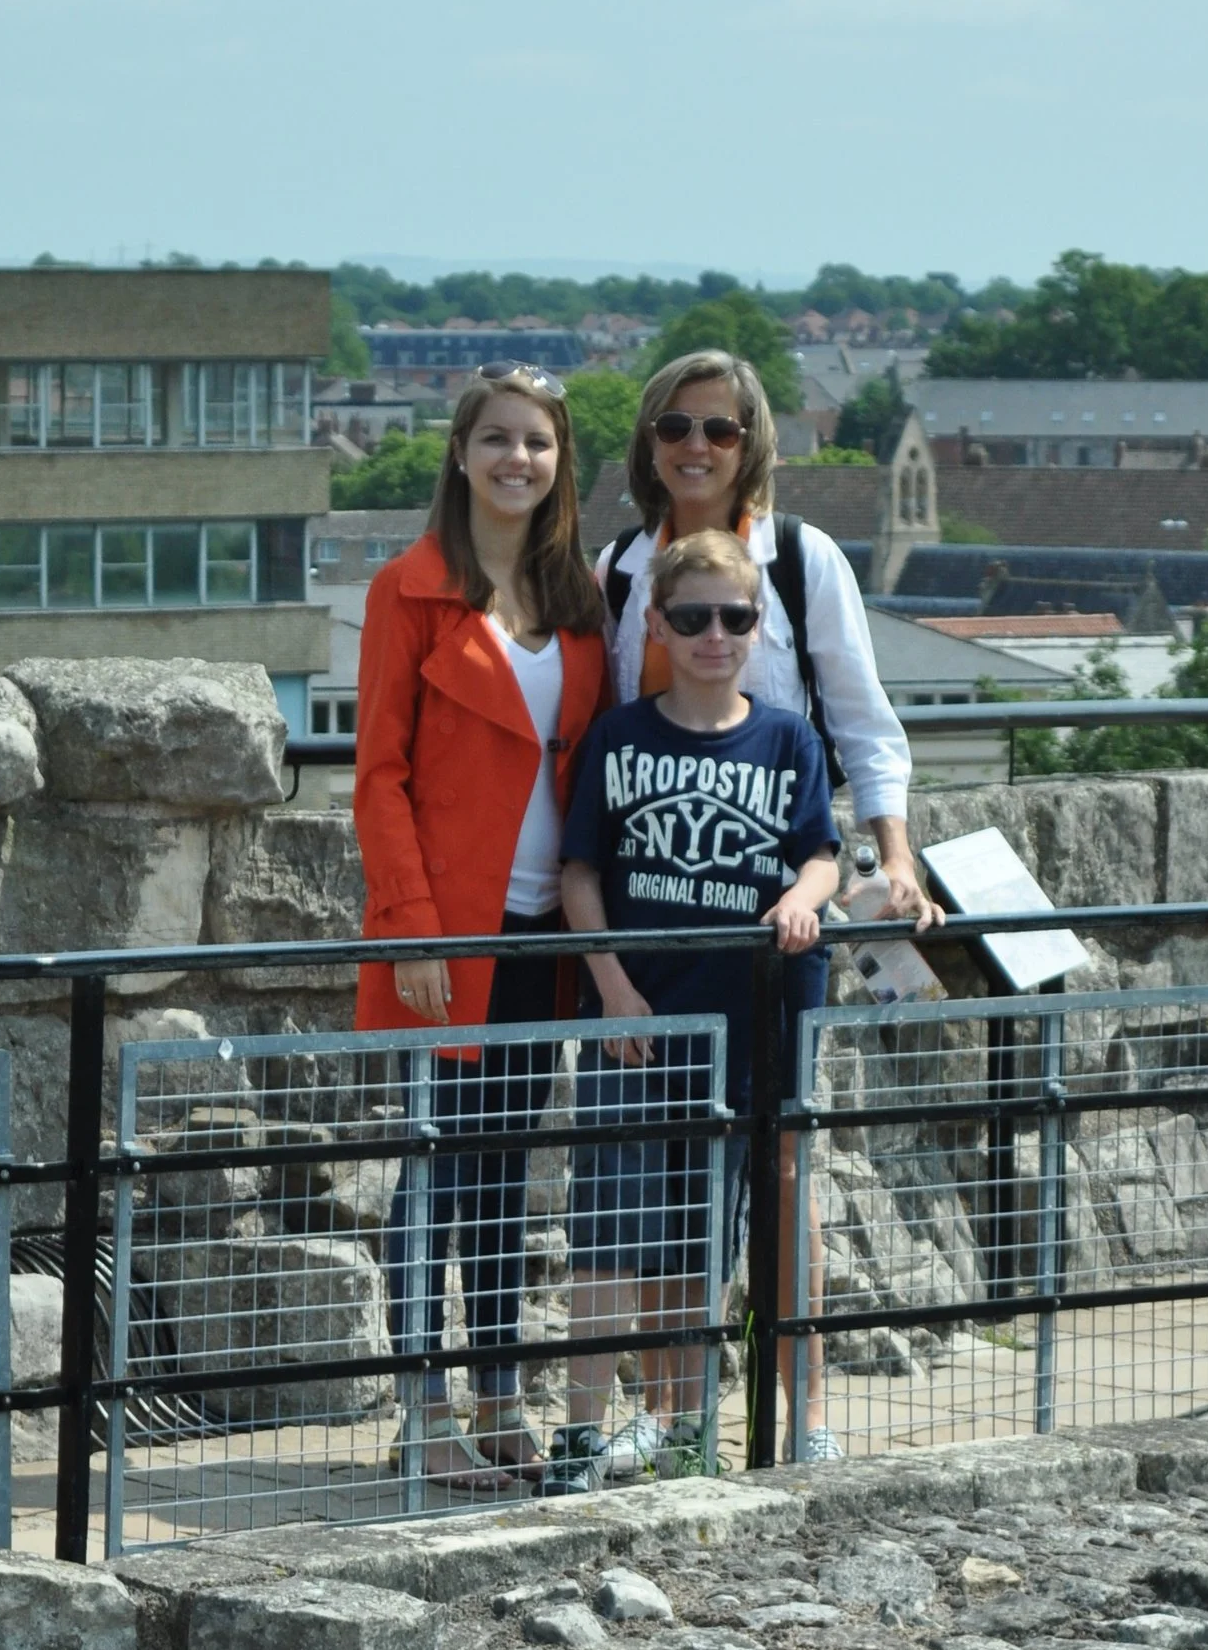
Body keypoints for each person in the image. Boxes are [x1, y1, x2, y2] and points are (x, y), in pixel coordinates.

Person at [595, 343, 935, 1459]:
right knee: (654, 1174)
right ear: (648, 444)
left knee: (785, 1171)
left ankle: (806, 1417)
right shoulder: (617, 568)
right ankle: (665, 1413)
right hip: (654, 921)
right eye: (677, 427)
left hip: (777, 907)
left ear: (754, 445)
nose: (697, 446)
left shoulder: (797, 558)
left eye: (722, 429)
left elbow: (861, 716)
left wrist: (894, 856)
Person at [353, 368, 609, 1488]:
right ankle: (424, 1416)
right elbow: (377, 776)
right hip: (446, 932)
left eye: (539, 443)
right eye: (497, 439)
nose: (518, 459)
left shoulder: (578, 596)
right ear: (458, 454)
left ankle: (500, 1398)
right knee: (434, 1171)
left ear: (562, 463)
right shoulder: (404, 592)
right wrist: (410, 928)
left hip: (544, 933)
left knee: (505, 1172)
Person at [548, 526, 838, 1492]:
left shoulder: (787, 736)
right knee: (617, 1228)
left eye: (735, 616)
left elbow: (822, 852)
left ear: (758, 627)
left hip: (755, 1013)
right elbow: (581, 869)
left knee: (735, 1227)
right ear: (660, 626)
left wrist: (803, 897)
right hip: (644, 1018)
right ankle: (591, 1432)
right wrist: (612, 987)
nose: (715, 634)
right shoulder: (621, 735)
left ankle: (738, 1426)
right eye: (692, 617)